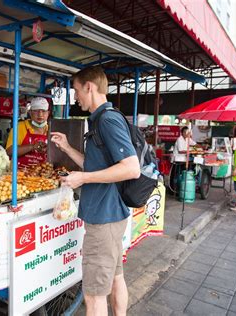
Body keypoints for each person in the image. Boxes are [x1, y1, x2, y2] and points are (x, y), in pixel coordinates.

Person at [51, 66, 140, 316]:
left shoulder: (107, 120)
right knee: (114, 278)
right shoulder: (101, 119)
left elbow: (131, 168)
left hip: (104, 219)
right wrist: (68, 148)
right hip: (111, 215)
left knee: (93, 296)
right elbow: (95, 165)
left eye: (77, 90)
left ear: (89, 87)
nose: (76, 97)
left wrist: (84, 179)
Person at [6, 97, 49, 167]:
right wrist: (32, 147)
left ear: (48, 113)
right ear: (30, 113)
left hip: (42, 173)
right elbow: (9, 151)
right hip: (19, 174)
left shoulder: (50, 130)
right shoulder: (19, 127)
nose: (40, 114)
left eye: (43, 111)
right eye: (36, 111)